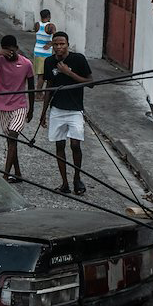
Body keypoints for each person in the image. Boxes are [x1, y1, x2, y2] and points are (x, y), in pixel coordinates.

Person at [37, 31, 93, 195]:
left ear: (68, 44)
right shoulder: (49, 62)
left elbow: (91, 83)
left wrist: (69, 73)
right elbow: (49, 87)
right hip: (57, 110)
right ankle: (65, 183)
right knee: (59, 145)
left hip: (75, 109)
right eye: (56, 44)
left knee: (75, 145)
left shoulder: (78, 59)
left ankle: (77, 178)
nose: (59, 47)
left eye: (62, 44)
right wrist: (43, 112)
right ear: (52, 46)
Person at [0, 34, 34, 182]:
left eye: (11, 50)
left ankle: (5, 176)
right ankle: (17, 173)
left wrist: (31, 110)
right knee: (11, 141)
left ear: (17, 49)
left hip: (19, 106)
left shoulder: (26, 64)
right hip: (2, 105)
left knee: (13, 136)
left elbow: (31, 88)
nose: (8, 54)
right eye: (5, 50)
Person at [32, 9, 54, 78]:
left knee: (39, 74)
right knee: (45, 75)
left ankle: (39, 88)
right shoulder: (51, 26)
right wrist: (50, 44)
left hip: (37, 50)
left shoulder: (37, 24)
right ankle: (41, 88)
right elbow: (56, 37)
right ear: (49, 16)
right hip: (46, 52)